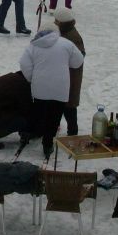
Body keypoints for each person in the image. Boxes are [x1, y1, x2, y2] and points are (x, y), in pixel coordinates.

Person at [19, 25, 84, 160]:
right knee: (54, 117)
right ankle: (47, 144)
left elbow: (24, 64)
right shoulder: (66, 44)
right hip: (60, 88)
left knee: (38, 112)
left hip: (40, 87)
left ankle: (27, 133)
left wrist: (32, 78)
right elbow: (78, 62)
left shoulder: (33, 46)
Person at [52, 7, 85, 136]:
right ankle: (55, 126)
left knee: (69, 107)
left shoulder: (73, 37)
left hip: (71, 77)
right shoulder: (64, 31)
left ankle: (73, 132)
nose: (54, 23)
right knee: (60, 104)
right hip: (63, 75)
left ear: (61, 22)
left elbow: (80, 57)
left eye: (56, 21)